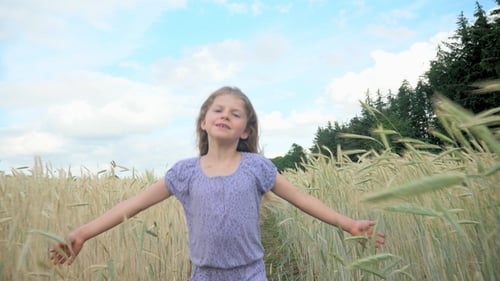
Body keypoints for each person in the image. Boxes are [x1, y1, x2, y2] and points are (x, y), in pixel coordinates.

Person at [49, 86, 385, 280]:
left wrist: (349, 223)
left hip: (251, 273)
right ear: (204, 121)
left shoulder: (257, 168)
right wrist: (82, 233)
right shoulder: (184, 173)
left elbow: (302, 199)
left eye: (235, 114)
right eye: (218, 110)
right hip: (204, 275)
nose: (225, 115)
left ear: (246, 131)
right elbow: (131, 206)